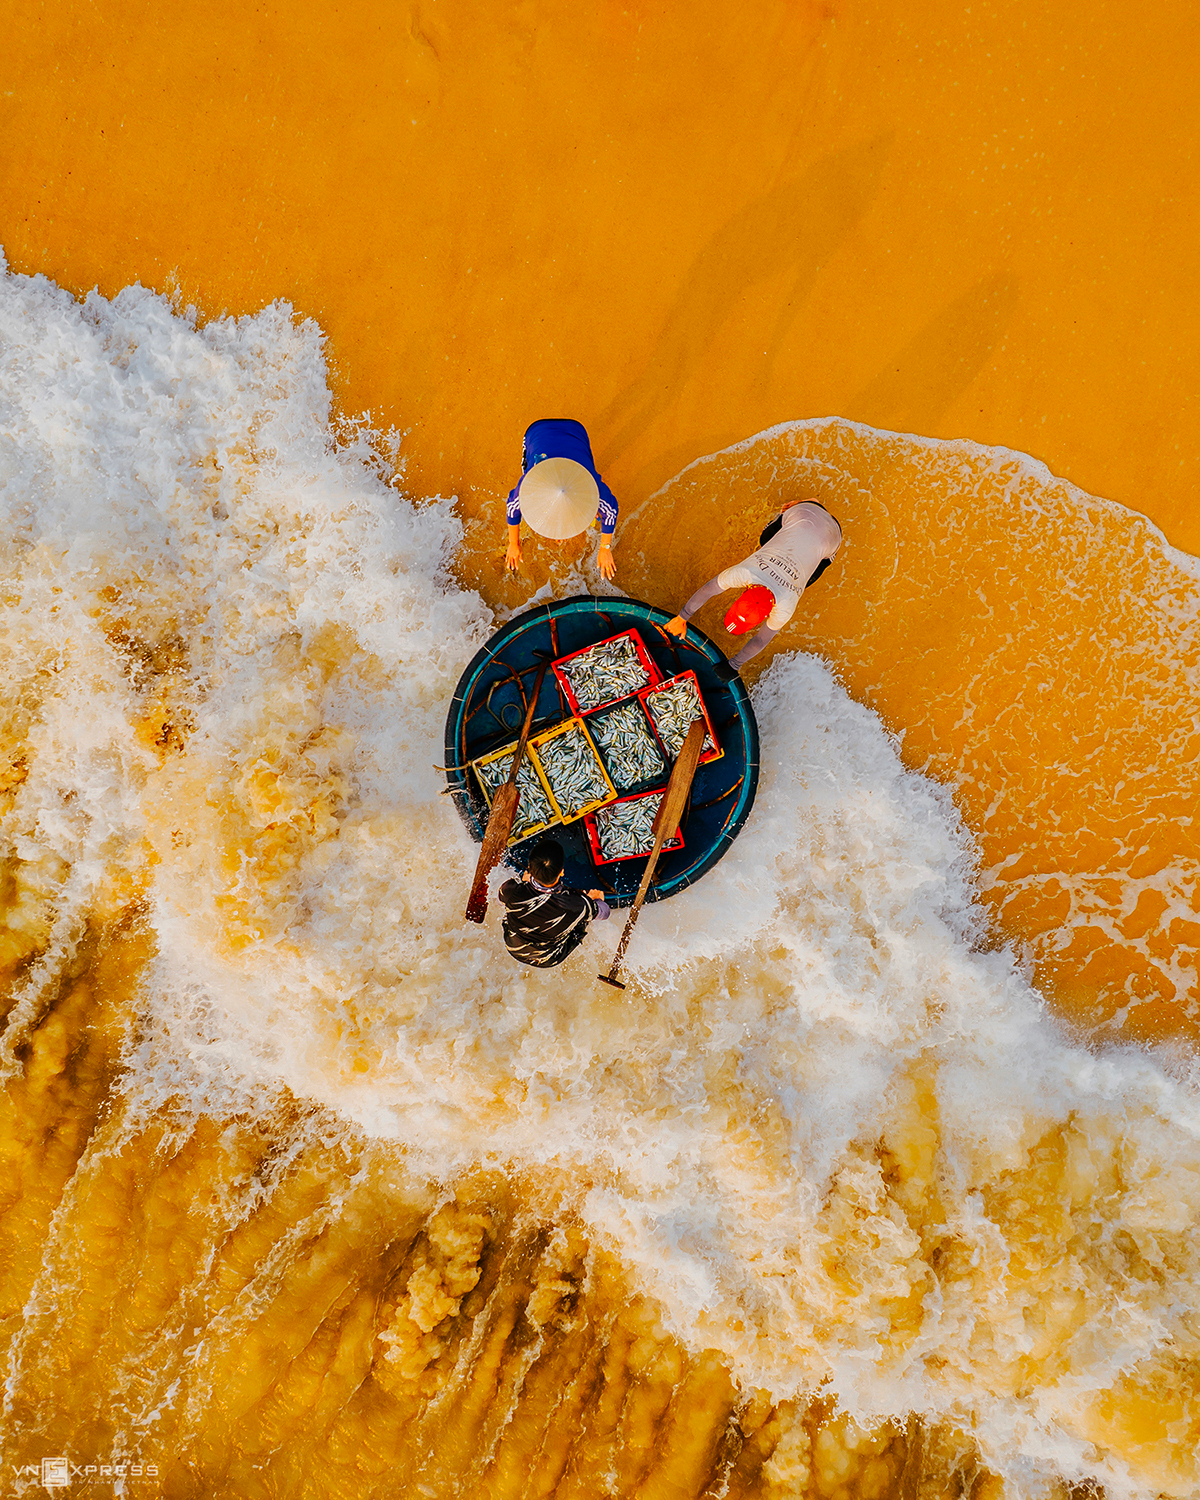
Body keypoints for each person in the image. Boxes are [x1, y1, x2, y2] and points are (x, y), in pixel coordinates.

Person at [665, 499, 842, 676]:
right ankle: (804, 507)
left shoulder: (786, 603)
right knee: (769, 541)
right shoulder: (746, 572)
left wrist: (683, 618)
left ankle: (809, 505)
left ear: (745, 591)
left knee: (803, 574)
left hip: (831, 532)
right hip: (812, 518)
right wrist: (682, 618)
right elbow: (759, 639)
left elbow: (760, 640)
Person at [505, 419, 619, 580]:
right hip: (547, 431)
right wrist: (513, 544)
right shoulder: (528, 483)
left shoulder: (595, 489)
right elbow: (511, 508)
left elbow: (611, 511)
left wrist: (605, 549)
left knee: (587, 464)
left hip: (574, 432)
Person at [497, 839, 611, 968]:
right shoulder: (576, 904)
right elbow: (605, 912)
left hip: (513, 946)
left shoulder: (510, 890)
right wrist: (595, 899)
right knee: (583, 916)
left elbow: (500, 902)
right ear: (562, 872)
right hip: (548, 957)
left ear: (529, 868)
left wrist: (524, 883)